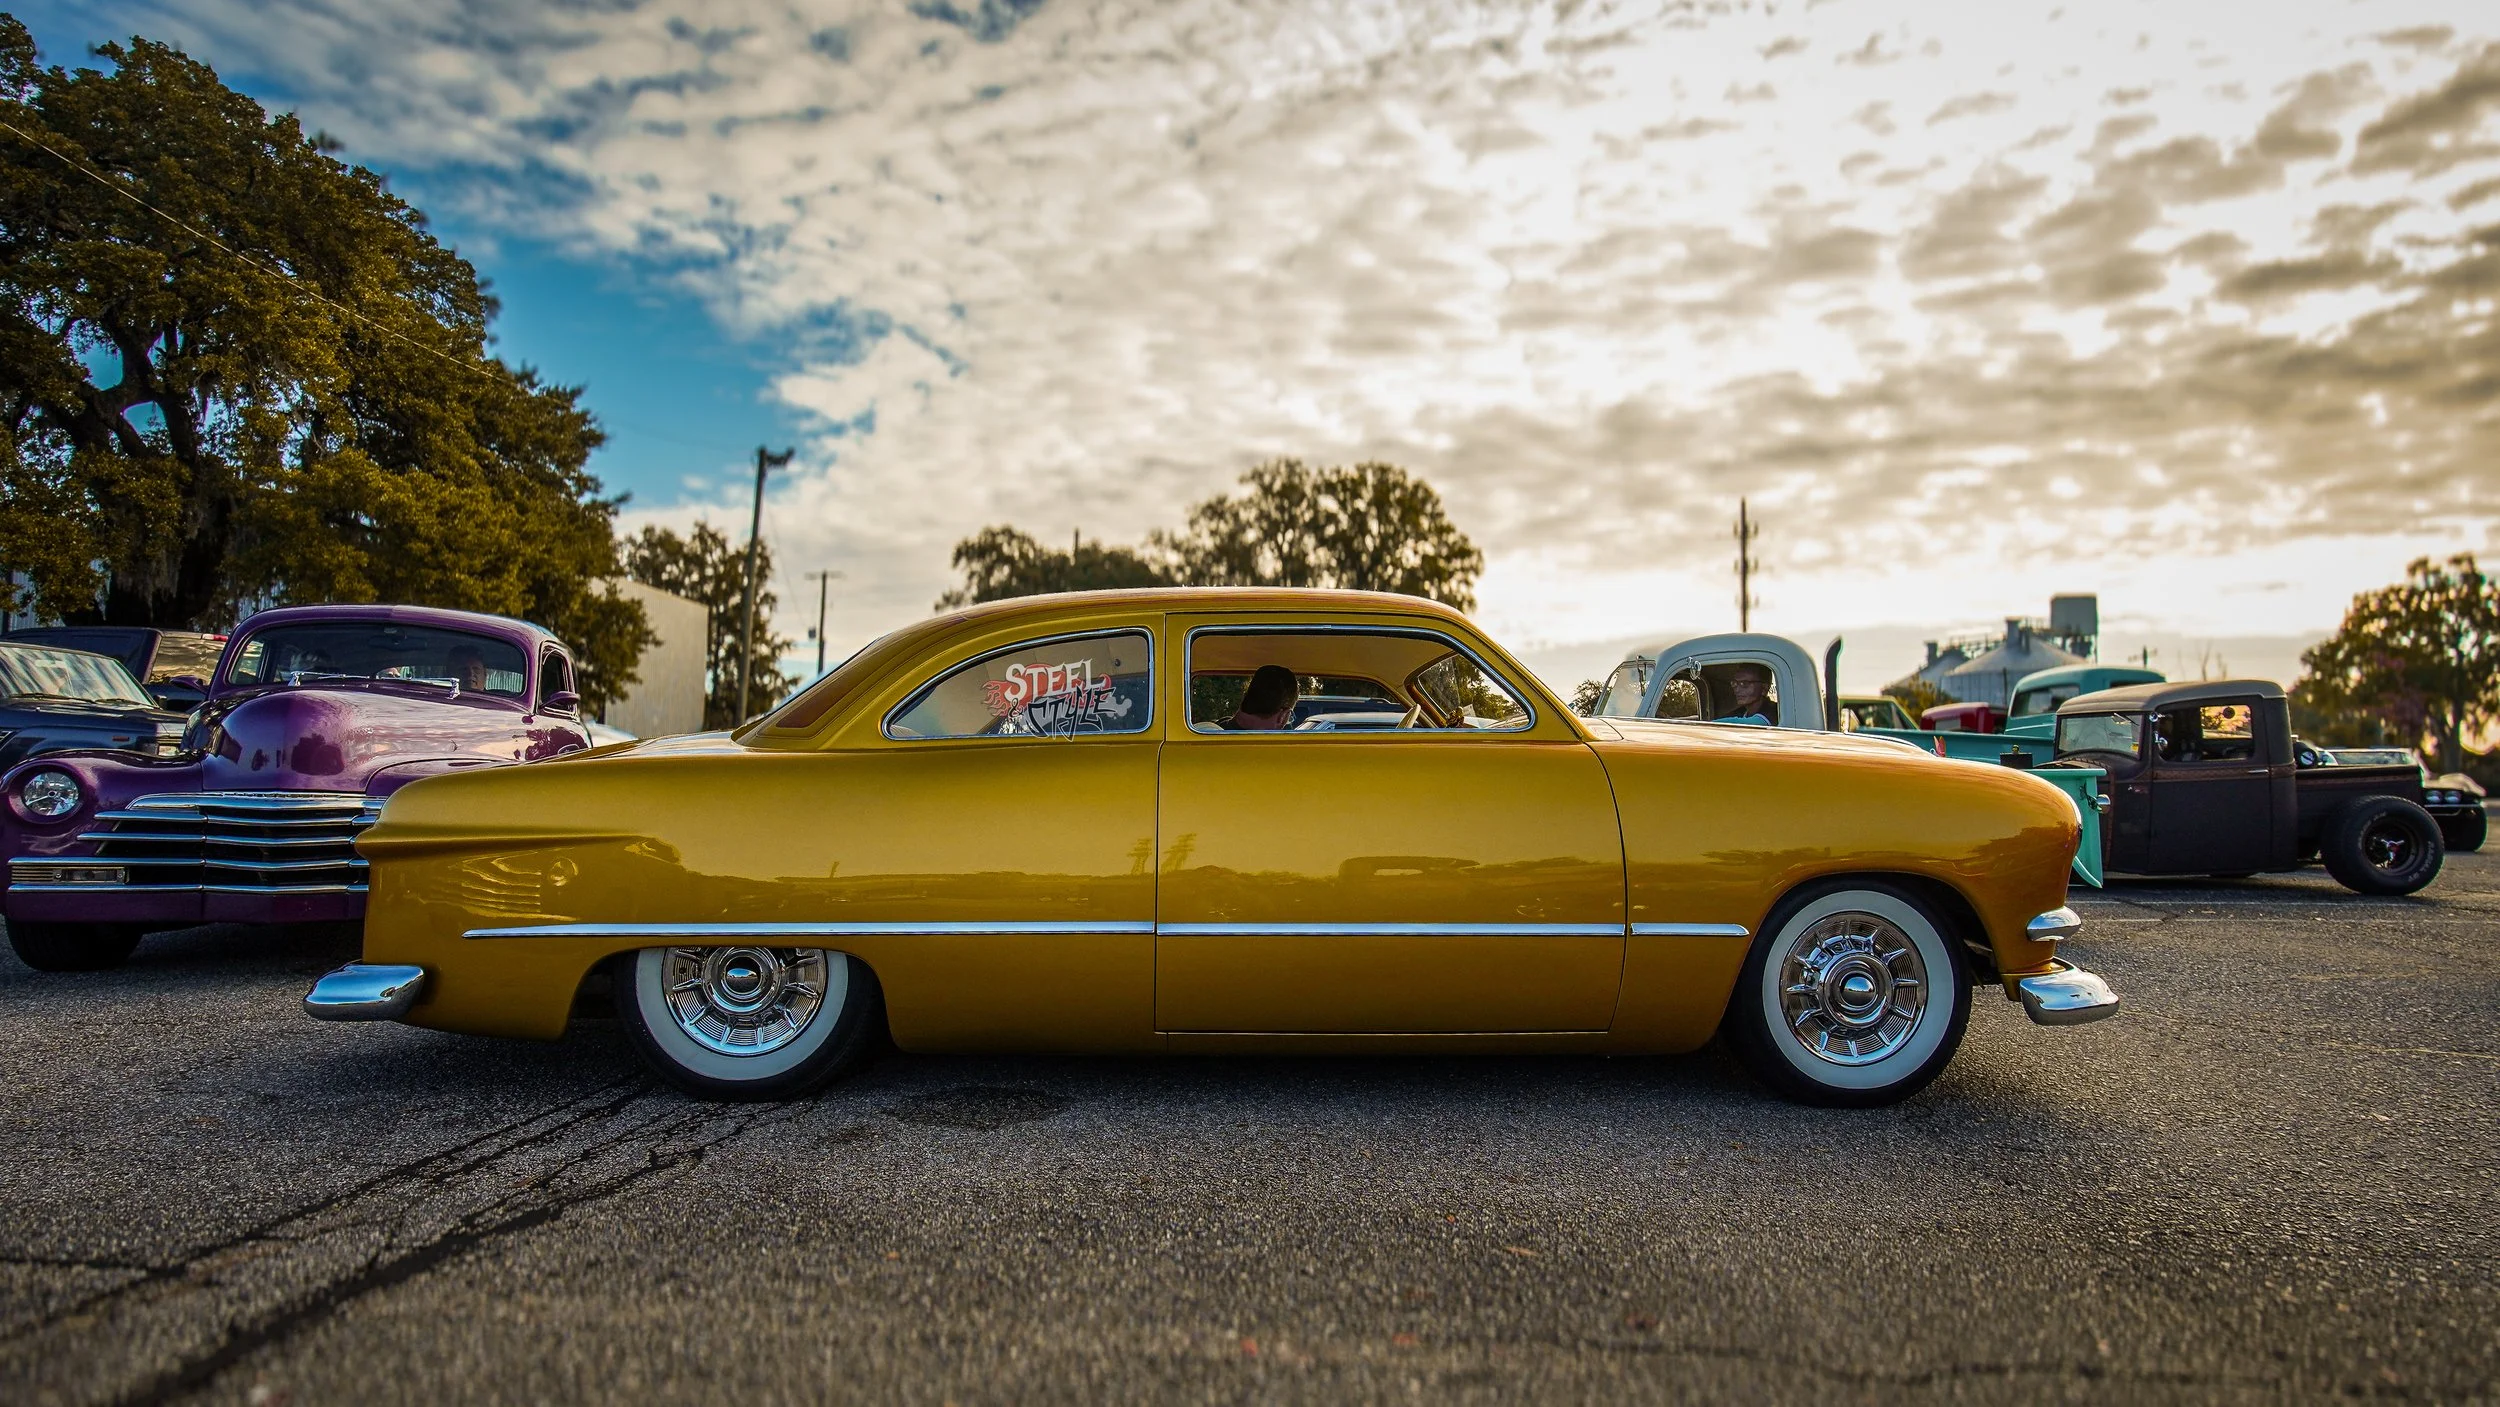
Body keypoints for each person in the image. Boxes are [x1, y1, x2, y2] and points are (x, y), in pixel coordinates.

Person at [1219, 664, 1299, 730]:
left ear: (1245, 697)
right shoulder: (1277, 748)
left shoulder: (1210, 732)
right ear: (1283, 717)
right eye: (1289, 718)